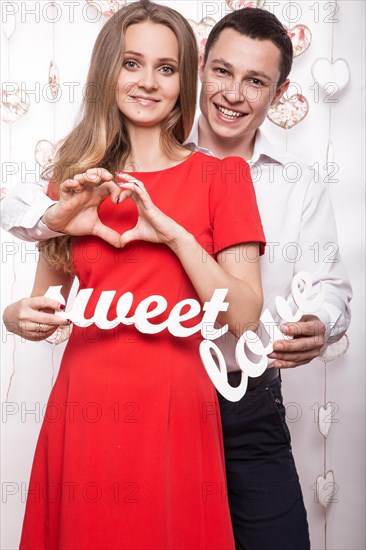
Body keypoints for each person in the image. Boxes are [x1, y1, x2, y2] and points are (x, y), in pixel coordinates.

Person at [1, 6, 352, 550]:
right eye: (132, 63)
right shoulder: (79, 175)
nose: (147, 81)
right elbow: (42, 299)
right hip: (89, 409)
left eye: (165, 68)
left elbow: (263, 306)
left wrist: (174, 235)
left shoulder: (244, 180)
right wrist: (14, 312)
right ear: (204, 69)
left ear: (277, 93)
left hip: (219, 401)